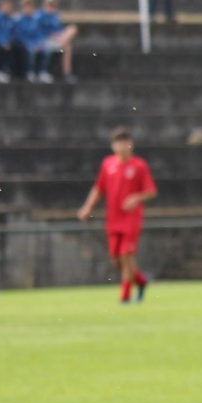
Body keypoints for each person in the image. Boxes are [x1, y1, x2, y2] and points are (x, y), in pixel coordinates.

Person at [77, 127, 157, 304]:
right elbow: (99, 188)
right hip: (113, 219)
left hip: (131, 219)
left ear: (131, 144)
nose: (122, 146)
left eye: (125, 142)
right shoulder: (108, 164)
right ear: (113, 146)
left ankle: (125, 297)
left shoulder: (139, 165)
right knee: (116, 259)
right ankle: (141, 281)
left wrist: (136, 197)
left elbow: (151, 191)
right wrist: (88, 207)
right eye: (118, 143)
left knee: (126, 256)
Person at [13, 0, 51, 83]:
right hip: (24, 43)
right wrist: (30, 43)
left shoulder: (35, 20)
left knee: (46, 49)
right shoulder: (19, 20)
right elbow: (19, 35)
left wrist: (38, 43)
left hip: (35, 42)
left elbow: (39, 33)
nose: (28, 9)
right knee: (31, 51)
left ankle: (42, 71)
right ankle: (29, 71)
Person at [39, 0, 79, 82]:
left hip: (57, 39)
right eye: (50, 6)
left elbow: (58, 30)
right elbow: (40, 32)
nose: (52, 8)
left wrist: (58, 36)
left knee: (71, 31)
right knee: (66, 46)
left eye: (54, 6)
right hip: (46, 40)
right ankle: (61, 43)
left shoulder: (55, 16)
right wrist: (52, 36)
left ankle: (67, 73)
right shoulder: (40, 16)